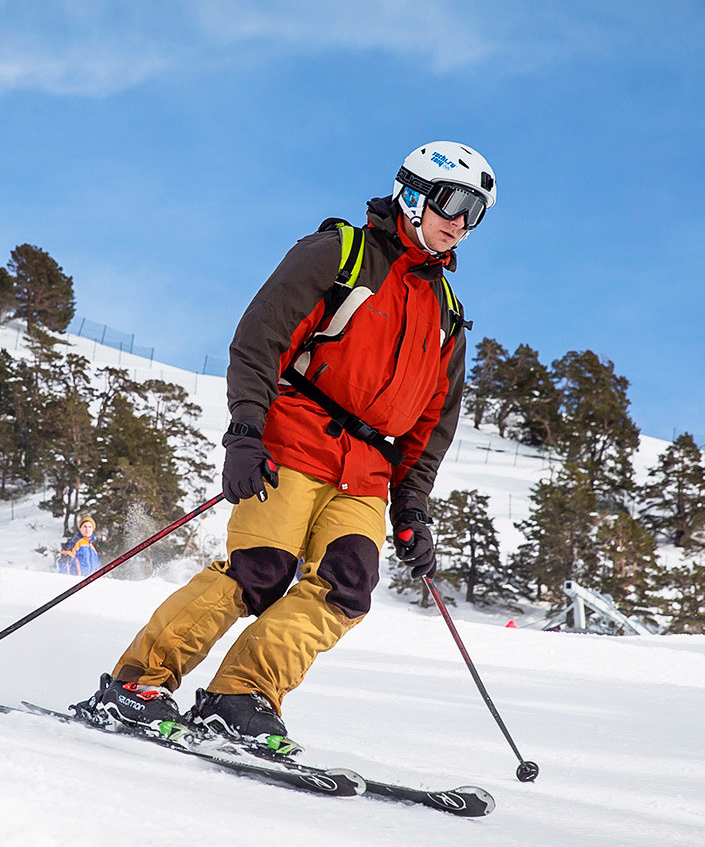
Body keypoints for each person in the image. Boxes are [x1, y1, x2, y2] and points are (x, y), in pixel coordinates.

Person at [77, 142, 492, 754]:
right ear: (413, 192)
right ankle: (137, 683)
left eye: (475, 213)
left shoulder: (448, 314)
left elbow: (434, 422)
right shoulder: (340, 254)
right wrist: (245, 431)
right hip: (294, 439)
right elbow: (260, 336)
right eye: (452, 202)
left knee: (348, 588)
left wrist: (412, 507)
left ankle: (239, 696)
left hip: (367, 475)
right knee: (259, 574)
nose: (460, 222)